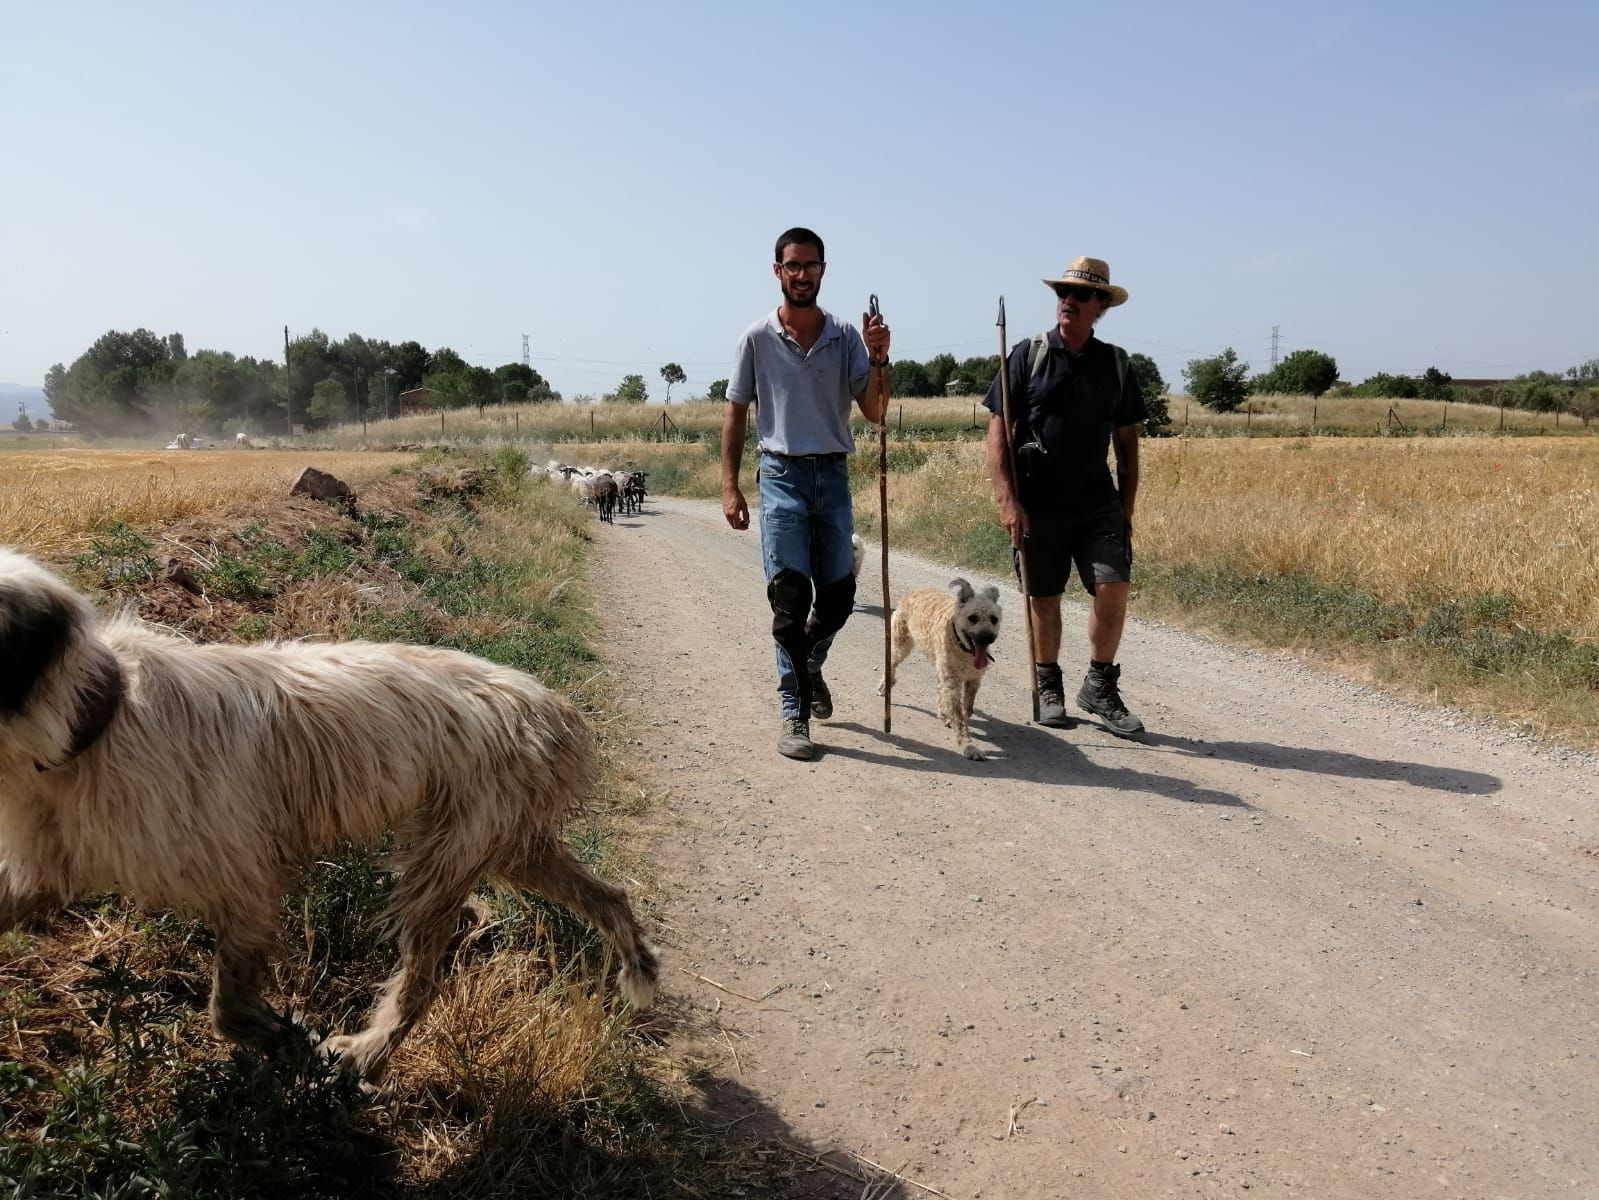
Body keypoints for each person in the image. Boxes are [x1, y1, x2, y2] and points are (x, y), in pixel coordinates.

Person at [721, 227, 891, 760]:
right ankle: (794, 712)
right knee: (790, 600)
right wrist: (729, 485)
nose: (801, 274)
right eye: (792, 266)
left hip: (832, 478)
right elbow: (735, 413)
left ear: (822, 269)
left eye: (810, 265)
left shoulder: (845, 337)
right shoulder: (756, 338)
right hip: (780, 476)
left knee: (839, 599)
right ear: (778, 272)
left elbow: (877, 411)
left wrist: (881, 358)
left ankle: (810, 663)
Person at [984, 256, 1147, 736]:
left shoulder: (1114, 364)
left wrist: (1126, 509)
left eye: (1080, 295)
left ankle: (1099, 685)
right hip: (1038, 501)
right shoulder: (1027, 355)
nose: (1068, 301)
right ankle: (1048, 683)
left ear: (1101, 306)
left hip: (1097, 502)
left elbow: (1128, 443)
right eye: (1062, 293)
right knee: (1044, 596)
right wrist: (1007, 500)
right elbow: (998, 429)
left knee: (1113, 586)